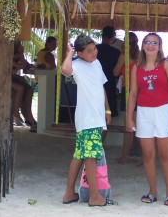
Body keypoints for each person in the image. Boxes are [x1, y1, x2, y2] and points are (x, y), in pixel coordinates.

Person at [126, 33, 168, 206]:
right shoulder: (136, 66)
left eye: (154, 43)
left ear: (159, 46)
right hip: (144, 113)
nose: (150, 45)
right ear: (143, 46)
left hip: (164, 112)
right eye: (147, 42)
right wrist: (129, 117)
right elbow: (133, 93)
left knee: (165, 155)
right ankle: (152, 192)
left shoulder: (166, 65)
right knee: (148, 155)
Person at [61, 34, 114, 207]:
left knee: (80, 155)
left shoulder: (96, 63)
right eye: (89, 51)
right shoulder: (76, 65)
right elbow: (65, 70)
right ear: (80, 53)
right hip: (88, 118)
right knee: (90, 156)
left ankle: (69, 193)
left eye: (94, 49)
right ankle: (94, 196)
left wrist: (107, 109)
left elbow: (102, 87)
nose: (94, 53)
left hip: (95, 117)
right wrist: (70, 53)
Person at [113, 32, 140, 164]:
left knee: (128, 125)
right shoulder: (141, 56)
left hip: (129, 91)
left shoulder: (124, 55)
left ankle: (124, 156)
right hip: (141, 91)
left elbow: (115, 72)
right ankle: (146, 157)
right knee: (140, 125)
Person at [12, 41, 37, 132]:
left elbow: (25, 64)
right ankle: (15, 110)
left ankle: (30, 120)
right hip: (5, 79)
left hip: (13, 77)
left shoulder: (17, 56)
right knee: (21, 88)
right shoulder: (8, 56)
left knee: (29, 89)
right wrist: (21, 55)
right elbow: (21, 65)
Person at [97, 26, 120, 118]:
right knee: (108, 114)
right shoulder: (115, 52)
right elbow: (117, 72)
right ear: (112, 37)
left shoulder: (94, 50)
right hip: (109, 83)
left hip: (95, 83)